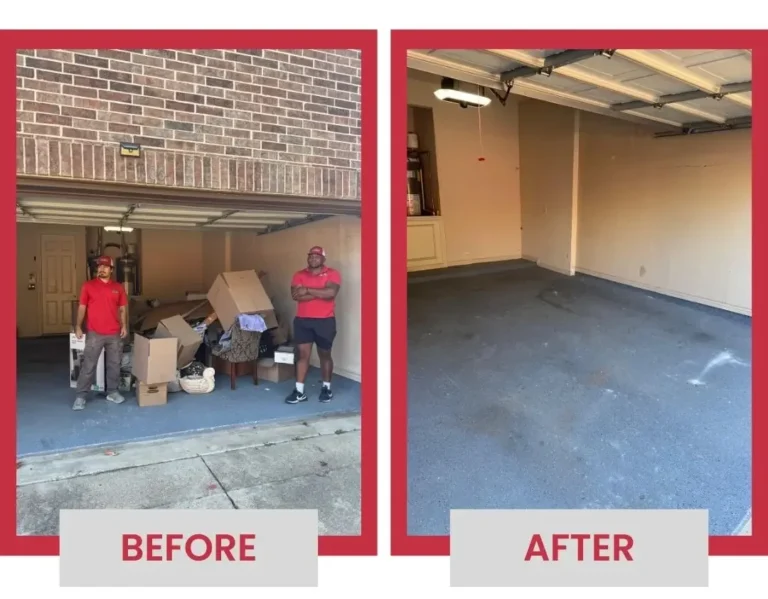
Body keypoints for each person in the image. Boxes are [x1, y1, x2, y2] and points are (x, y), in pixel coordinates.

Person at [285, 246, 342, 404]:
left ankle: (326, 388)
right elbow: (296, 296)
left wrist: (307, 290)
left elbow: (331, 294)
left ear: (323, 259)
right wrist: (320, 292)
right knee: (303, 356)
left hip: (325, 321)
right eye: (311, 256)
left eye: (317, 256)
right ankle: (299, 391)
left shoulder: (332, 273)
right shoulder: (299, 274)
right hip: (303, 321)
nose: (313, 259)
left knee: (325, 355)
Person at [72, 256, 128, 410]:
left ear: (111, 269)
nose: (101, 269)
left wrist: (124, 325)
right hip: (94, 332)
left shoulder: (118, 287)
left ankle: (113, 392)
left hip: (114, 333)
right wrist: (78, 326)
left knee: (114, 364)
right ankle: (81, 396)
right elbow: (82, 307)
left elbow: (122, 308)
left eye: (105, 267)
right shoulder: (88, 286)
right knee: (89, 364)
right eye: (99, 267)